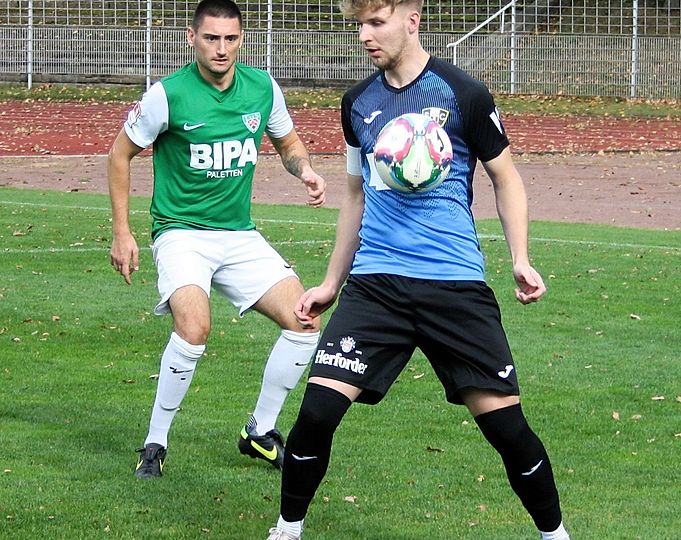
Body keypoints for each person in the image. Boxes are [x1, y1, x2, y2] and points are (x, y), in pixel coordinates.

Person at [264, 1, 570, 539]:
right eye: (359, 25)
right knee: (315, 414)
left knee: (507, 429)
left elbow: (506, 179)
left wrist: (519, 258)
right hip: (376, 286)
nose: (365, 35)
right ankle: (287, 529)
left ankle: (555, 534)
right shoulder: (358, 103)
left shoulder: (464, 94)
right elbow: (356, 195)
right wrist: (332, 282)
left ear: (412, 19)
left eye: (376, 22)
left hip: (453, 283)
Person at [108, 0, 327, 478]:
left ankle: (259, 431)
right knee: (194, 327)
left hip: (239, 235)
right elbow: (119, 155)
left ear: (241, 39)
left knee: (305, 320)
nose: (221, 48)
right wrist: (122, 232)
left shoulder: (262, 87)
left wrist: (305, 170)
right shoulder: (167, 95)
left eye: (230, 38)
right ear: (192, 38)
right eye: (211, 38)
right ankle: (155, 442)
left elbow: (287, 142)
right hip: (181, 234)